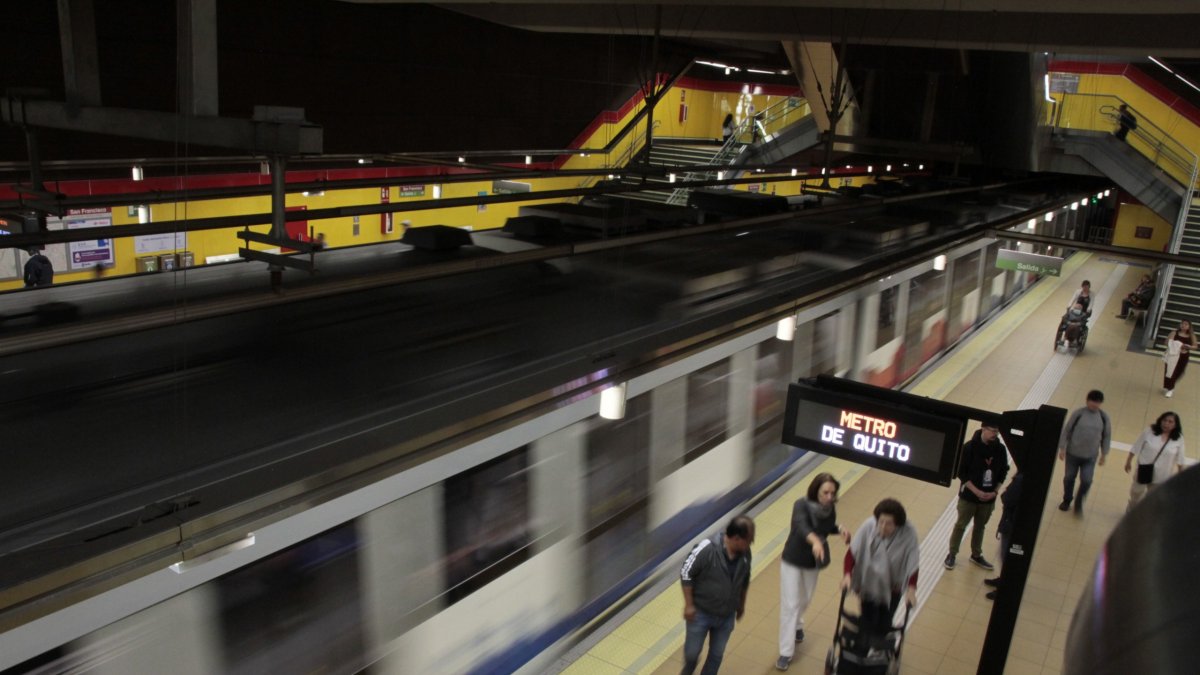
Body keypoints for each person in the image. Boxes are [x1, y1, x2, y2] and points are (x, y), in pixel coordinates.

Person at [776, 473, 850, 671]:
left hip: (812, 562)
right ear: (816, 490)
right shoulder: (801, 505)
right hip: (792, 559)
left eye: (832, 493)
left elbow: (825, 527)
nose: (829, 497)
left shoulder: (830, 508)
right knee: (790, 604)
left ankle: (798, 625)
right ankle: (785, 651)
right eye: (825, 492)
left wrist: (838, 529)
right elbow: (801, 526)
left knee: (806, 599)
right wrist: (815, 541)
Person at [680, 515, 755, 675]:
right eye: (747, 540)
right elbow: (686, 572)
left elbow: (744, 579)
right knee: (692, 654)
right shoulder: (707, 549)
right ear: (736, 538)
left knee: (716, 655)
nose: (749, 545)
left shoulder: (745, 554)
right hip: (700, 614)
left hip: (726, 616)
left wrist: (741, 605)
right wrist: (689, 605)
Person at [842, 499, 920, 637]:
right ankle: (865, 643)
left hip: (892, 586)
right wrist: (847, 576)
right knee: (867, 616)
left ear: (898, 524)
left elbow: (913, 563)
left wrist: (911, 590)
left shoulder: (908, 534)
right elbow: (852, 553)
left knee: (885, 619)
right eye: (881, 522)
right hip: (868, 582)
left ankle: (880, 643)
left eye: (889, 523)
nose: (883, 527)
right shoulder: (869, 526)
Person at [945, 422, 1008, 572]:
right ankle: (952, 553)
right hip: (969, 497)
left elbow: (1003, 472)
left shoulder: (1000, 449)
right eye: (992, 430)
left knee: (980, 527)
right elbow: (962, 473)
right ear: (983, 429)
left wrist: (995, 492)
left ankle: (976, 554)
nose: (994, 434)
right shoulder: (969, 448)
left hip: (989, 498)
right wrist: (977, 492)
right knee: (961, 525)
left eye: (997, 432)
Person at [1058, 390, 1112, 514]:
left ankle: (1079, 501)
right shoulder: (1078, 414)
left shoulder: (1103, 417)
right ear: (1087, 401)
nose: (1095, 404)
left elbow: (1107, 436)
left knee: (1087, 480)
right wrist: (1062, 448)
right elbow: (1067, 430)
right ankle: (1067, 500)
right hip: (1072, 454)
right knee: (1069, 478)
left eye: (1098, 402)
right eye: (1092, 401)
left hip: (1090, 456)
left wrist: (1104, 454)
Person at [1123, 411, 1187, 511]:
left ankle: (1144, 517)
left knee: (1153, 498)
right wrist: (1128, 461)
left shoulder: (1179, 439)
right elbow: (1137, 445)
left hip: (1162, 474)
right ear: (1160, 420)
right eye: (1165, 420)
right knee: (1136, 493)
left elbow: (1181, 458)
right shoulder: (1150, 431)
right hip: (1144, 469)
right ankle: (1131, 511)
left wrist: (1181, 475)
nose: (1166, 424)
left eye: (1170, 422)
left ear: (1175, 425)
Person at [984, 471, 1023, 600]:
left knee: (1007, 556)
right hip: (1013, 523)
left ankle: (1005, 588)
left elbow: (1007, 497)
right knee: (1005, 555)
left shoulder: (1021, 479)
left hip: (1011, 524)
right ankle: (1004, 580)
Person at [1161, 319, 1197, 397]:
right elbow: (1166, 342)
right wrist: (1177, 344)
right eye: (1182, 323)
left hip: (1184, 356)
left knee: (1179, 371)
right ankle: (1170, 388)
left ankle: (1170, 385)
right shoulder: (1174, 333)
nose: (1183, 325)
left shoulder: (1191, 335)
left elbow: (1195, 346)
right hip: (1173, 355)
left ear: (1189, 326)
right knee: (1170, 371)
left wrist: (1188, 347)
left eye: (1186, 324)